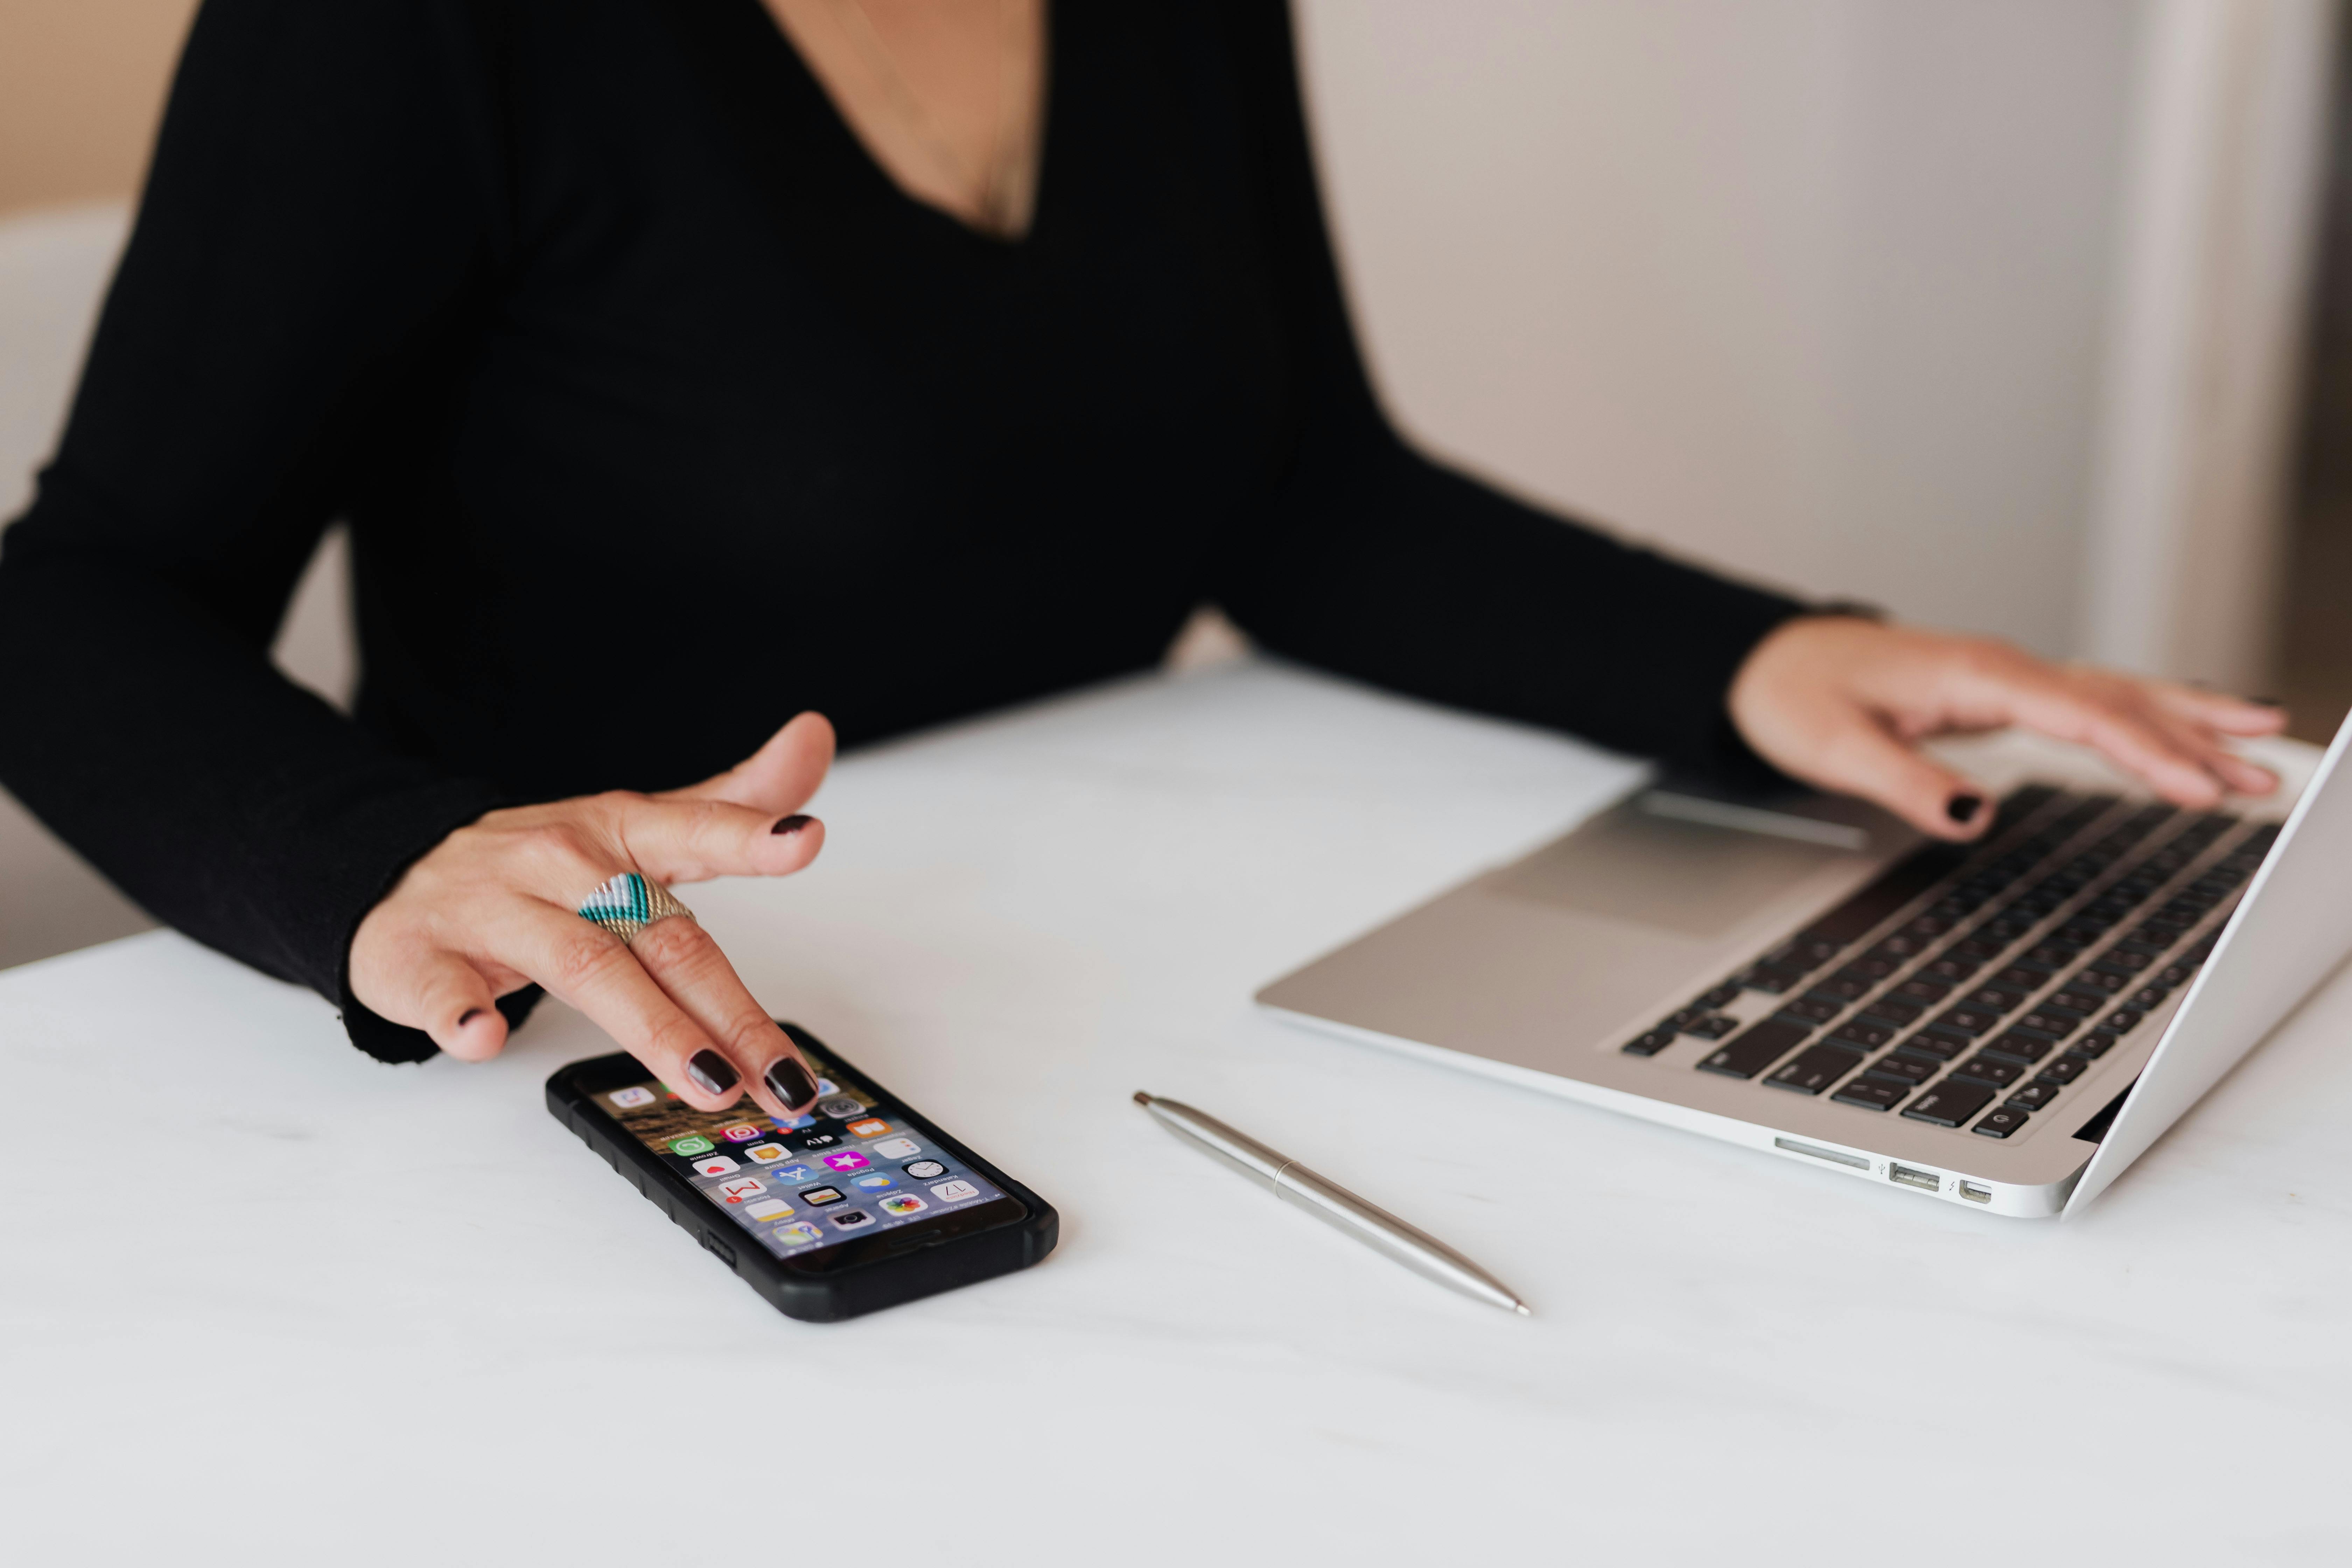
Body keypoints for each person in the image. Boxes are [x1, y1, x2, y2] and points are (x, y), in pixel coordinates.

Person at [0, 0, 2284, 1129]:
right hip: (652, 1069)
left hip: (1140, 1006)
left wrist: (1764, 655)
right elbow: (76, 597)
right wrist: (383, 861)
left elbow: (1290, 486)